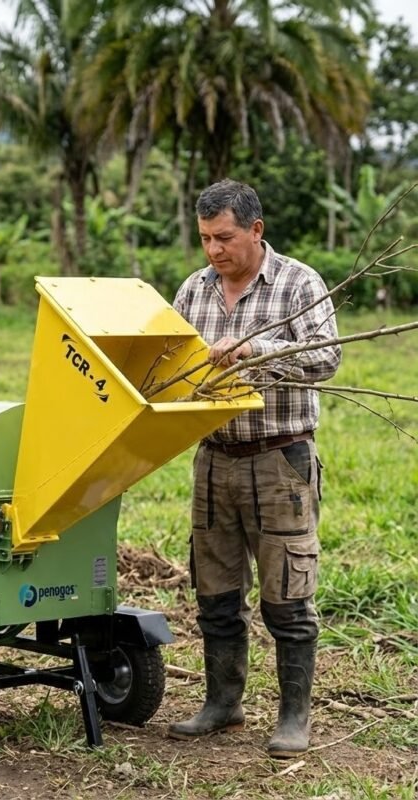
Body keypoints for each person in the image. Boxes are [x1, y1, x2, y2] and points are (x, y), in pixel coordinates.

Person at [169, 179, 341, 758]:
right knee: (215, 594)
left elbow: (324, 359)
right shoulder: (192, 290)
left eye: (225, 237)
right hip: (214, 459)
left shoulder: (299, 283)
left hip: (280, 459)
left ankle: (294, 718)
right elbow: (169, 360)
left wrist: (251, 352)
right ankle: (223, 704)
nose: (214, 251)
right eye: (205, 239)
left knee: (287, 598)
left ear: (255, 230)